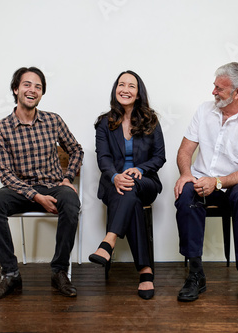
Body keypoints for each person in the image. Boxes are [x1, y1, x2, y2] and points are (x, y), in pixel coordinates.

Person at [0, 67, 83, 300]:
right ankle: (10, 274)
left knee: (71, 201)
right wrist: (36, 197)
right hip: (20, 190)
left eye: (38, 86)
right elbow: (5, 174)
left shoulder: (53, 120)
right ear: (16, 89)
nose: (32, 90)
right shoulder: (1, 128)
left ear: (42, 93)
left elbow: (76, 149)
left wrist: (67, 179)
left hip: (53, 185)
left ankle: (59, 271)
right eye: (27, 84)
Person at [174, 62, 238, 310]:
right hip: (201, 181)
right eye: (214, 86)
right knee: (185, 193)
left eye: (220, 88)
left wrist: (217, 181)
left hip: (232, 185)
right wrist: (186, 174)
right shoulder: (204, 111)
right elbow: (185, 150)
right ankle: (196, 274)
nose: (213, 92)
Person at [88, 70, 166, 300]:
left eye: (131, 86)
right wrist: (114, 176)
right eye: (121, 85)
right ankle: (145, 271)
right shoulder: (104, 122)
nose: (125, 89)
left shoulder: (151, 120)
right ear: (115, 90)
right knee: (128, 195)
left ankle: (109, 241)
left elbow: (159, 157)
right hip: (114, 185)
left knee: (131, 186)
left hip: (146, 182)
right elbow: (103, 158)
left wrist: (139, 169)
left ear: (138, 92)